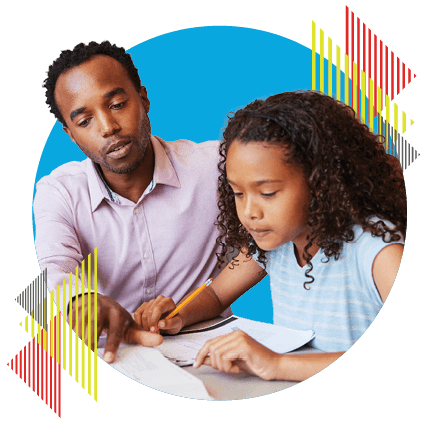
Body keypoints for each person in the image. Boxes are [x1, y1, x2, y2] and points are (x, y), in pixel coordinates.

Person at [134, 91, 407, 382]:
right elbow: (215, 295)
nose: (250, 211)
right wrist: (179, 316)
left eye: (267, 193)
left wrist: (276, 364)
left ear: (322, 181)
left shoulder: (379, 253)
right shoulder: (273, 244)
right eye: (238, 193)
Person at [34, 40, 229, 363]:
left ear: (143, 98)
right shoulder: (60, 192)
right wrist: (80, 299)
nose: (108, 127)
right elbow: (55, 267)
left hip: (213, 357)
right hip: (115, 358)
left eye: (117, 104)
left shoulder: (215, 167)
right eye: (85, 121)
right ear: (70, 134)